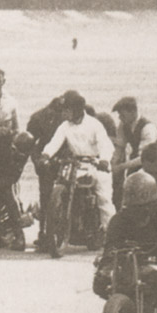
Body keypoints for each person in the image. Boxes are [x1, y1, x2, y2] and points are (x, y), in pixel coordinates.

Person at [93, 171, 157, 297]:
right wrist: (105, 266)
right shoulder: (119, 220)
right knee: (100, 282)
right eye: (133, 208)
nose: (138, 213)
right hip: (133, 268)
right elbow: (110, 248)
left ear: (154, 203)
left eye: (144, 207)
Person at [40, 89, 114, 232]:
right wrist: (46, 155)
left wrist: (104, 160)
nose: (64, 114)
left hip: (96, 164)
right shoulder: (64, 126)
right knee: (62, 184)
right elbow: (55, 142)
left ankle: (110, 232)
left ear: (77, 109)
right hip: (76, 164)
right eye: (63, 110)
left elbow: (104, 144)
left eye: (67, 110)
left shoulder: (94, 125)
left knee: (104, 199)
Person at [0, 129, 33, 250]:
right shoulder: (4, 133)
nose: (15, 153)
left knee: (7, 194)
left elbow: (12, 177)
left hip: (3, 175)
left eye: (19, 152)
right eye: (14, 149)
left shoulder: (22, 156)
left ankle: (19, 236)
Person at [27, 96, 64, 251]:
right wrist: (38, 162)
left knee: (48, 196)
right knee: (46, 197)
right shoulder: (38, 118)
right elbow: (30, 142)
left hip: (64, 158)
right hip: (47, 161)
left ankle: (49, 233)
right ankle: (44, 234)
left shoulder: (69, 118)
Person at [110, 96, 157, 211]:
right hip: (135, 163)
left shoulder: (148, 128)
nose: (120, 118)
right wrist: (113, 163)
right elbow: (120, 147)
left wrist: (121, 167)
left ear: (133, 112)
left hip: (152, 164)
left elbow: (143, 157)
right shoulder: (123, 125)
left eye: (122, 114)